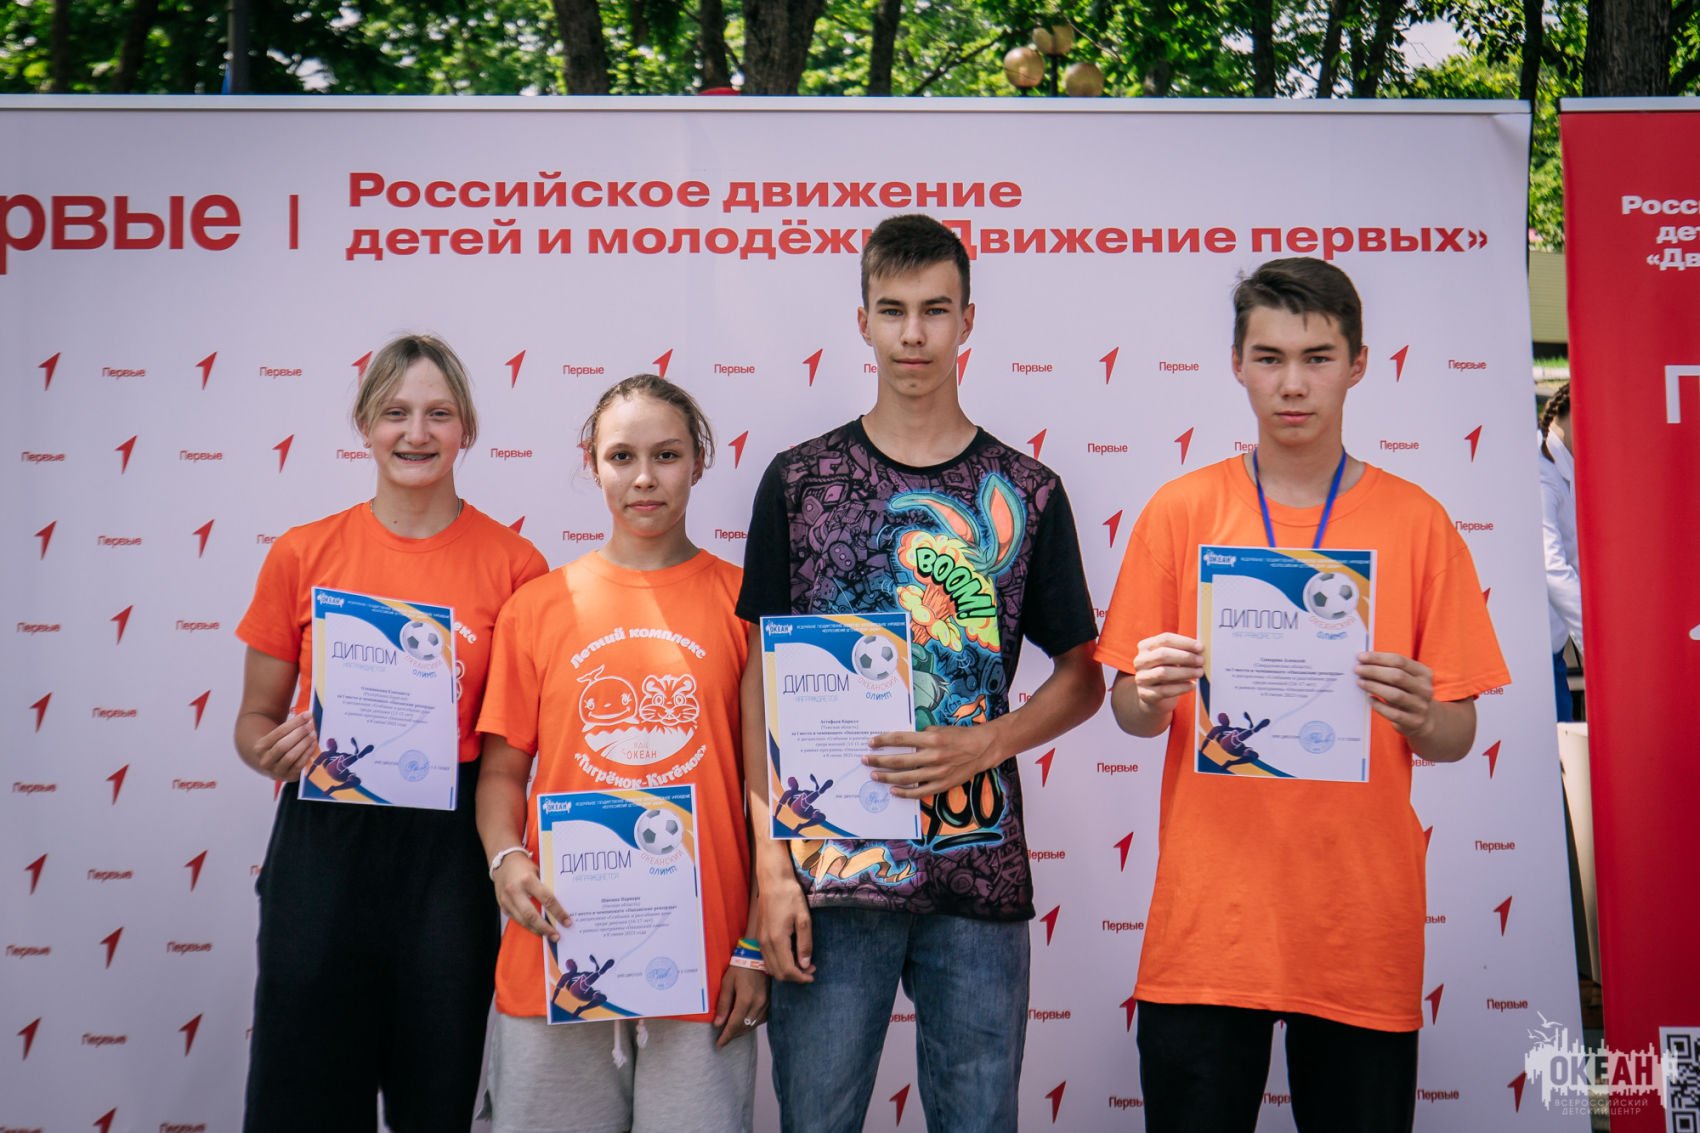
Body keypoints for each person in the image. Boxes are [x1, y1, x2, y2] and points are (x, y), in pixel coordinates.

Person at [1096, 258, 1510, 1133]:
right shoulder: (1180, 510)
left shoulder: (1418, 523)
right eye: (1270, 357)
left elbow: (1457, 733)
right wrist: (1152, 693)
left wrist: (1422, 712)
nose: (1293, 384)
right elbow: (1129, 712)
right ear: (1237, 364)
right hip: (1210, 926)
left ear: (1358, 364)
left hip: (1358, 924)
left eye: (1317, 358)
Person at [737, 213, 1104, 1132]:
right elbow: (758, 681)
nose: (913, 334)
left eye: (935, 310)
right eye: (893, 310)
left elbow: (1083, 675)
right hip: (830, 876)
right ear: (861, 320)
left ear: (967, 320)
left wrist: (988, 741)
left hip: (976, 877)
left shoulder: (1028, 491)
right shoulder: (798, 482)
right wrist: (771, 864)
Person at [233, 333, 549, 1131]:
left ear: (466, 426)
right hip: (323, 841)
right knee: (303, 1098)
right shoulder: (302, 553)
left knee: (434, 1096)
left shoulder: (516, 566)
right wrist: (271, 750)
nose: (416, 432)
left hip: (448, 856)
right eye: (396, 413)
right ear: (365, 424)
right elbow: (252, 722)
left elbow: (509, 754)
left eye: (438, 413)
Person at [476, 375, 765, 1133]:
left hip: (706, 966)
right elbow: (502, 771)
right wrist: (506, 859)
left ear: (699, 461)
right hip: (558, 948)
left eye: (666, 455)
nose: (644, 477)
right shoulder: (537, 607)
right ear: (592, 463)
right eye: (621, 456)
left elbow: (767, 796)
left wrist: (753, 944)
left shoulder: (745, 606)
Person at [1539, 382, 1582, 721]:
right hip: (1533, 653)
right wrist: (1593, 641)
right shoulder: (1541, 471)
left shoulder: (1564, 465)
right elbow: (1551, 567)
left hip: (1551, 646)